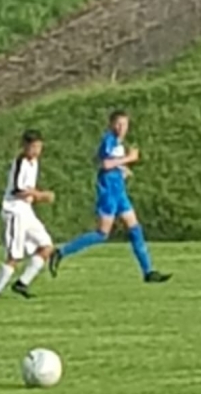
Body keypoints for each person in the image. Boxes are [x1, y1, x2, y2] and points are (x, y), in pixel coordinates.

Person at [49, 110, 171, 283]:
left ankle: (148, 271)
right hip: (108, 193)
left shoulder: (118, 144)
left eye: (125, 124)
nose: (121, 128)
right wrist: (128, 159)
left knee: (135, 229)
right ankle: (61, 252)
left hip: (119, 192)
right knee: (102, 234)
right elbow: (105, 164)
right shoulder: (109, 140)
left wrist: (122, 170)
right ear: (111, 124)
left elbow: (107, 162)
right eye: (118, 124)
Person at [0, 130, 56, 300]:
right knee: (15, 255)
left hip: (26, 210)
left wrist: (35, 196)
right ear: (25, 146)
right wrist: (41, 195)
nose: (36, 151)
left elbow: (28, 188)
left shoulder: (34, 162)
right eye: (33, 147)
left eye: (39, 147)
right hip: (15, 210)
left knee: (46, 246)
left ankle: (22, 283)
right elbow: (17, 190)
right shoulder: (21, 162)